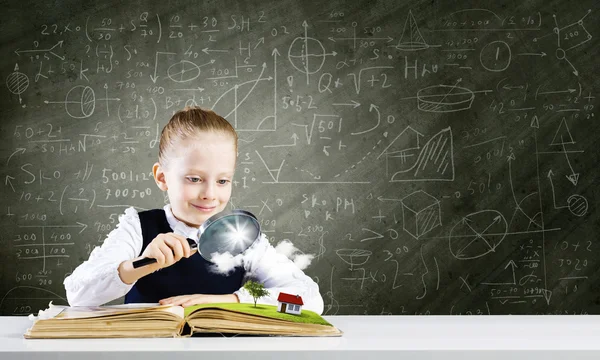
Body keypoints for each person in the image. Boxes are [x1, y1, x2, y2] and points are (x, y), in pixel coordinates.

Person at [64, 107, 324, 314]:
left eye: (222, 181)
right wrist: (140, 264)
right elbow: (78, 295)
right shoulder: (137, 228)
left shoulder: (242, 237)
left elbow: (309, 301)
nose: (210, 194)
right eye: (194, 179)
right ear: (162, 177)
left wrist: (232, 300)